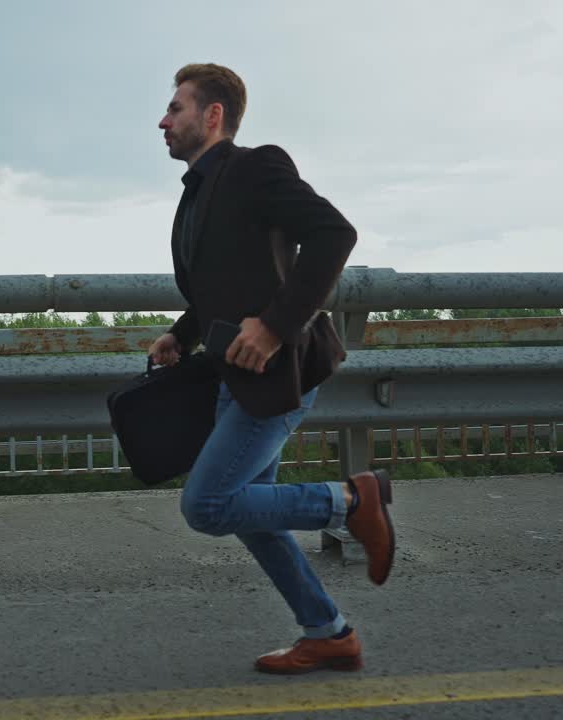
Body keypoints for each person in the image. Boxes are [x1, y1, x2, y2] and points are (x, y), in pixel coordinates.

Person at [149, 63, 396, 674]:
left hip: (278, 372)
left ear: (212, 116)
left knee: (206, 506)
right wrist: (181, 334)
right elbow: (224, 287)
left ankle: (349, 502)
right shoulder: (200, 191)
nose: (163, 119)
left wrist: (276, 325)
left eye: (176, 108)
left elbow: (335, 234)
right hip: (236, 375)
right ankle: (328, 631)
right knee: (254, 512)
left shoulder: (254, 166)